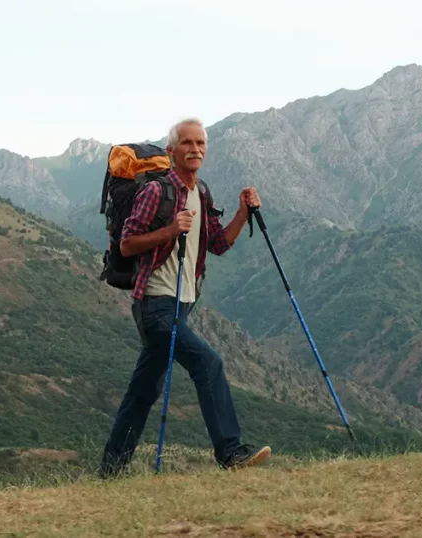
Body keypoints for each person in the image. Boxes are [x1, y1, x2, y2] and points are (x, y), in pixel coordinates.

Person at [99, 117, 272, 477]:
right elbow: (127, 244)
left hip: (182, 305)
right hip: (155, 303)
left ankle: (110, 471)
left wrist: (243, 211)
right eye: (187, 143)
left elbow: (219, 243)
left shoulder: (201, 192)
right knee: (208, 364)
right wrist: (169, 230)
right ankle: (230, 452)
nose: (195, 149)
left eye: (200, 144)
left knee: (143, 391)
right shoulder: (156, 192)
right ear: (171, 151)